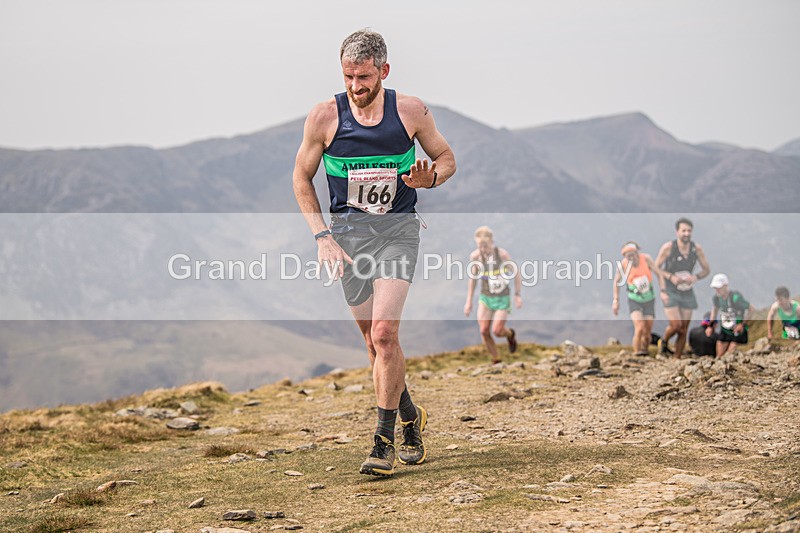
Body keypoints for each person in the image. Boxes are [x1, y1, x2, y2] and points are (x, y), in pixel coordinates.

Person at [292, 29, 456, 477]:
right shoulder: (325, 117)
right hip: (347, 238)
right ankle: (410, 417)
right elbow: (301, 179)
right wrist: (322, 237)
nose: (355, 87)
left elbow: (445, 158)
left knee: (384, 333)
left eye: (363, 78)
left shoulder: (410, 111)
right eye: (348, 77)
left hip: (397, 232)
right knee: (372, 345)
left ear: (384, 71)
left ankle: (383, 441)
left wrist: (432, 179)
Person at [654, 217, 711, 359]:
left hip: (687, 290)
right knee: (676, 325)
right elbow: (656, 268)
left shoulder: (696, 249)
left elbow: (706, 269)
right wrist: (670, 277)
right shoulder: (668, 248)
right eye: (683, 230)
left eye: (689, 231)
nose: (686, 233)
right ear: (677, 232)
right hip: (670, 290)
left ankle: (676, 358)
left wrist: (695, 277)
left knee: (684, 328)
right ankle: (664, 341)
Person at [464, 226, 522, 364]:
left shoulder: (502, 255)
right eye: (480, 246)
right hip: (485, 297)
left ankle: (510, 335)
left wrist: (517, 295)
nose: (483, 249)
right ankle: (497, 360)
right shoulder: (475, 257)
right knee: (484, 331)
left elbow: (517, 274)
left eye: (485, 245)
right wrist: (469, 301)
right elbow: (473, 279)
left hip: (502, 297)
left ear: (492, 242)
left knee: (497, 330)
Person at [612, 241, 660, 356]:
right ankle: (636, 353)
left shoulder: (646, 259)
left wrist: (664, 290)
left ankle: (645, 350)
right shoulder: (623, 265)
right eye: (628, 256)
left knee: (647, 331)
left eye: (633, 255)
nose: (631, 258)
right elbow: (617, 282)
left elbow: (658, 273)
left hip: (649, 299)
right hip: (634, 299)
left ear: (637, 252)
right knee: (639, 327)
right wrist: (616, 300)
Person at [709, 273, 755, 357]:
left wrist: (742, 324)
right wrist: (710, 325)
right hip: (725, 330)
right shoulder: (716, 298)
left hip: (737, 331)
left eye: (719, 287)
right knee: (719, 356)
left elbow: (751, 309)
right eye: (715, 288)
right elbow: (714, 310)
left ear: (726, 285)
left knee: (731, 355)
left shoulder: (736, 298)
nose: (717, 290)